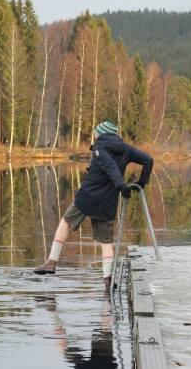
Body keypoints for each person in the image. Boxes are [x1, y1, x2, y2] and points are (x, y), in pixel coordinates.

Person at [34, 120, 153, 286]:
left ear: (100, 133)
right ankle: (107, 278)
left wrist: (121, 185)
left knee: (66, 223)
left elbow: (110, 166)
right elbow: (148, 160)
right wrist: (141, 182)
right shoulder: (126, 149)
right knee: (106, 242)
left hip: (88, 197)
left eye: (96, 133)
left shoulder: (100, 146)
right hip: (108, 200)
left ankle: (51, 262)